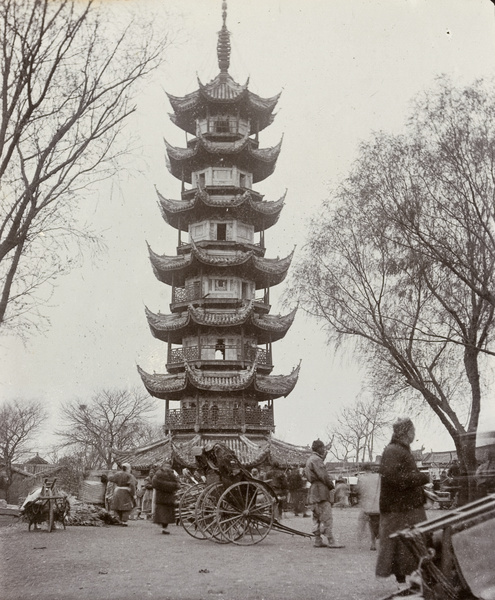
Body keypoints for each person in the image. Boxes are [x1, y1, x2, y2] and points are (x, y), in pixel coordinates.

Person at [376, 418, 430, 587]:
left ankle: (410, 580)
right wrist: (422, 477)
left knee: (407, 545)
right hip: (400, 509)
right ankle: (403, 581)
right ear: (407, 432)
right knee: (402, 546)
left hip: (404, 507)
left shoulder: (398, 450)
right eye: (413, 431)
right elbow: (394, 478)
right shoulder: (394, 451)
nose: (414, 434)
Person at [304, 439, 344, 548]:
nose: (323, 450)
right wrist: (331, 485)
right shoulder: (317, 460)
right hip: (321, 490)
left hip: (313, 490)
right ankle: (331, 540)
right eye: (322, 448)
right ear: (319, 448)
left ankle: (318, 540)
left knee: (316, 516)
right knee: (326, 516)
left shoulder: (309, 460)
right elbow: (324, 476)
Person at [356, 465, 381, 551]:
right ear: (372, 469)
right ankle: (378, 537)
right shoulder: (378, 477)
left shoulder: (361, 478)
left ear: (364, 470)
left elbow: (358, 490)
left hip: (368, 506)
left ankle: (372, 542)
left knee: (370, 523)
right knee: (378, 522)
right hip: (378, 505)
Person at [152, 462, 180, 535]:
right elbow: (177, 485)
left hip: (162, 496)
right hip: (167, 496)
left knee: (162, 512)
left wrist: (163, 486)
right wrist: (170, 486)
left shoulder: (159, 474)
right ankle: (164, 527)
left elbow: (154, 483)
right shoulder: (171, 474)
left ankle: (163, 527)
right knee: (165, 513)